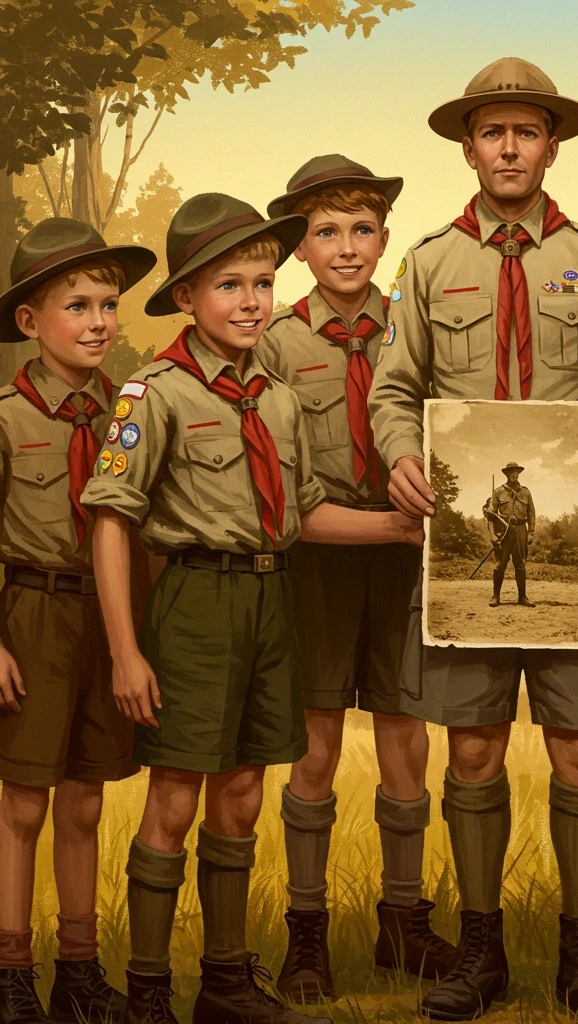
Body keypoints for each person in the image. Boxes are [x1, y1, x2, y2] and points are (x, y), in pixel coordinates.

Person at [80, 193, 422, 1024]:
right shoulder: (151, 393)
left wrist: (404, 527)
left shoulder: (275, 394)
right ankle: (151, 991)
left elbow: (302, 509)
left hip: (273, 598)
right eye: (229, 286)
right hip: (196, 601)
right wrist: (127, 652)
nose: (251, 302)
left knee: (241, 795)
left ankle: (226, 980)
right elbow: (111, 520)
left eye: (263, 284)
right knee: (175, 798)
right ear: (189, 298)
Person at [369, 56, 578, 1024]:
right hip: (460, 542)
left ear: (551, 144)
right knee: (475, 750)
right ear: (467, 145)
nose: (507, 147)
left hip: (573, 543)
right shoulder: (427, 265)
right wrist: (402, 458)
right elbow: (393, 391)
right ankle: (481, 952)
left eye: (524, 131)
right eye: (491, 131)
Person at [257, 155, 454, 998]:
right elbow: (279, 489)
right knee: (317, 743)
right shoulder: (273, 340)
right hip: (323, 562)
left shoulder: (420, 326)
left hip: (412, 566)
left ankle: (402, 924)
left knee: (407, 737)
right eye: (326, 232)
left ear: (385, 239)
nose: (346, 247)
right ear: (300, 247)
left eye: (363, 230)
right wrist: (387, 526)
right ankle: (308, 933)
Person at [0, 218, 155, 1024]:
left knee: (86, 802)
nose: (98, 322)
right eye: (77, 306)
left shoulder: (130, 415)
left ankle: (79, 970)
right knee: (23, 803)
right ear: (30, 322)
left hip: (107, 617)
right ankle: (11, 970)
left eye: (109, 304)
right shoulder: (5, 416)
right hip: (32, 614)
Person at [483, 461, 536, 607]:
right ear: (506, 474)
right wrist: (493, 535)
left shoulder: (525, 492)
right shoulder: (499, 492)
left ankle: (522, 597)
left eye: (516, 472)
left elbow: (531, 514)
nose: (513, 474)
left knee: (521, 565)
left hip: (521, 530)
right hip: (504, 531)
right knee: (500, 565)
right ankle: (495, 597)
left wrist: (531, 532)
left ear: (519, 474)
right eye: (510, 472)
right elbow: (491, 516)